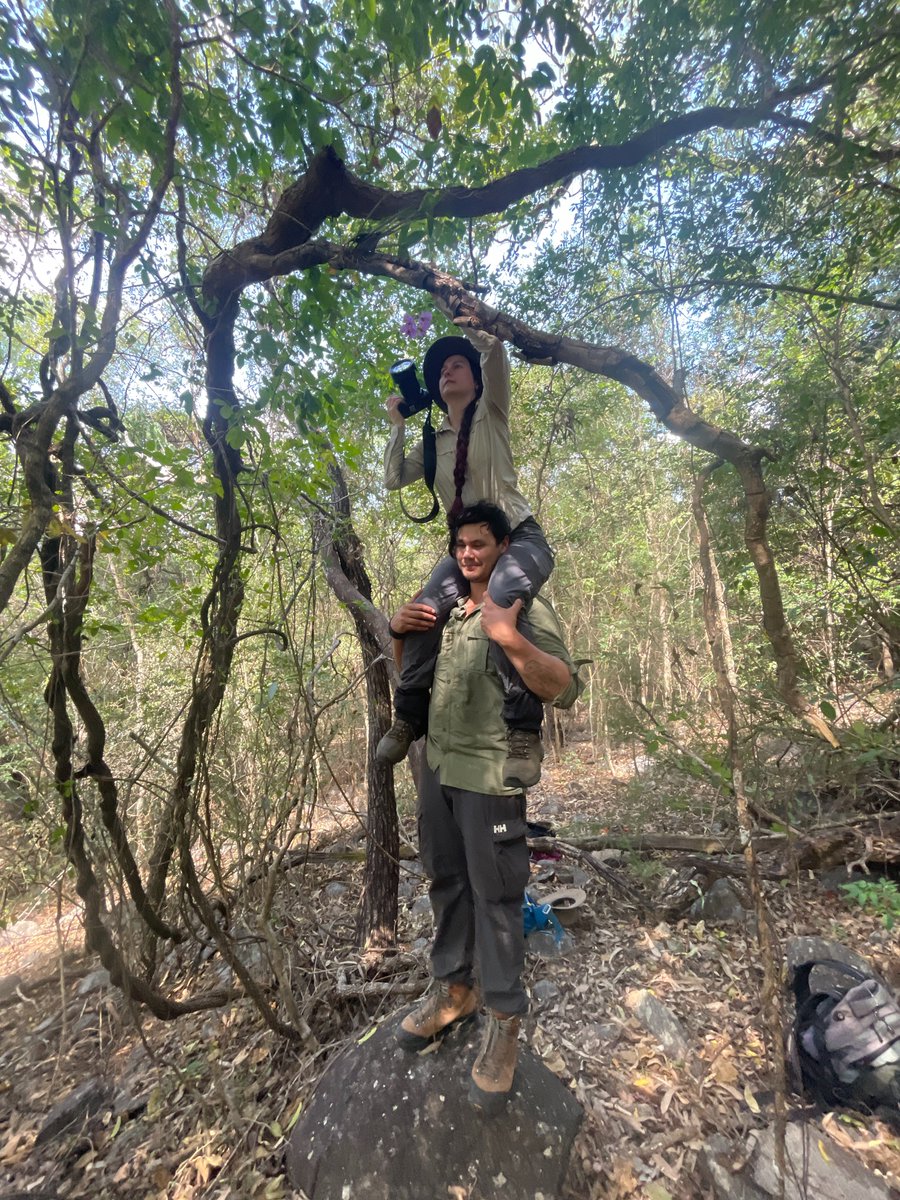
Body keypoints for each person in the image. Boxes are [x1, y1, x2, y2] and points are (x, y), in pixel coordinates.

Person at [393, 502, 580, 1115]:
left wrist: (507, 635)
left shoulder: (522, 609)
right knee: (444, 882)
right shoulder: (446, 613)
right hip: (440, 772)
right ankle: (454, 991)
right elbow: (418, 680)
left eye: (480, 543)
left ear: (504, 548)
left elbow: (564, 687)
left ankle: (503, 1024)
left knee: (496, 899)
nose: (469, 553)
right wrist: (400, 636)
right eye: (460, 545)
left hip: (492, 779)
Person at [377, 322, 554, 789]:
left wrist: (464, 314)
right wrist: (398, 427)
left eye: (457, 365)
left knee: (499, 606)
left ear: (476, 378)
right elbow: (393, 479)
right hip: (467, 548)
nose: (447, 373)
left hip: (518, 539)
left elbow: (493, 351)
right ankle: (409, 714)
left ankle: (522, 732)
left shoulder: (492, 413)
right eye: (440, 372)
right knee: (424, 610)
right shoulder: (433, 445)